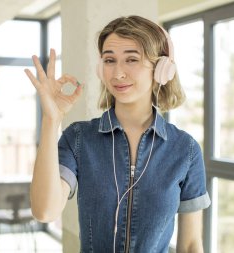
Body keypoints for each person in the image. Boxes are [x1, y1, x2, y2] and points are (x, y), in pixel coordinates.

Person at [24, 15, 211, 253]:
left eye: (132, 59)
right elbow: (45, 211)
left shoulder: (186, 150)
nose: (118, 73)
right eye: (109, 60)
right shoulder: (79, 139)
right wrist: (51, 119)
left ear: (161, 68)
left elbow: (191, 244)